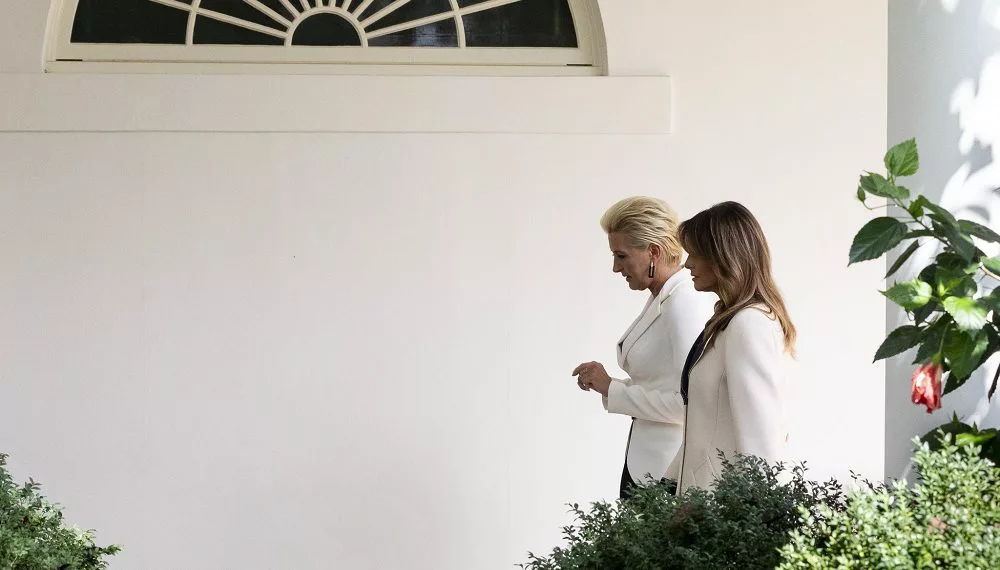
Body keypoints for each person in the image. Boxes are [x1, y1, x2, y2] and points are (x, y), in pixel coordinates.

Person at [573, 196, 715, 499]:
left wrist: (613, 389)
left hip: (666, 473)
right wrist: (608, 385)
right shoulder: (663, 296)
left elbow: (690, 404)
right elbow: (662, 384)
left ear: (653, 251)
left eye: (621, 256)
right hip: (647, 464)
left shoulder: (683, 302)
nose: (615, 267)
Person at [666, 201, 796, 492]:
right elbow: (705, 423)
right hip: (704, 502)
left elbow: (760, 440)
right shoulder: (730, 320)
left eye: (695, 254)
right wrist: (669, 482)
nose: (687, 264)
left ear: (722, 256)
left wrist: (754, 512)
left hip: (723, 507)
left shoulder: (749, 324)